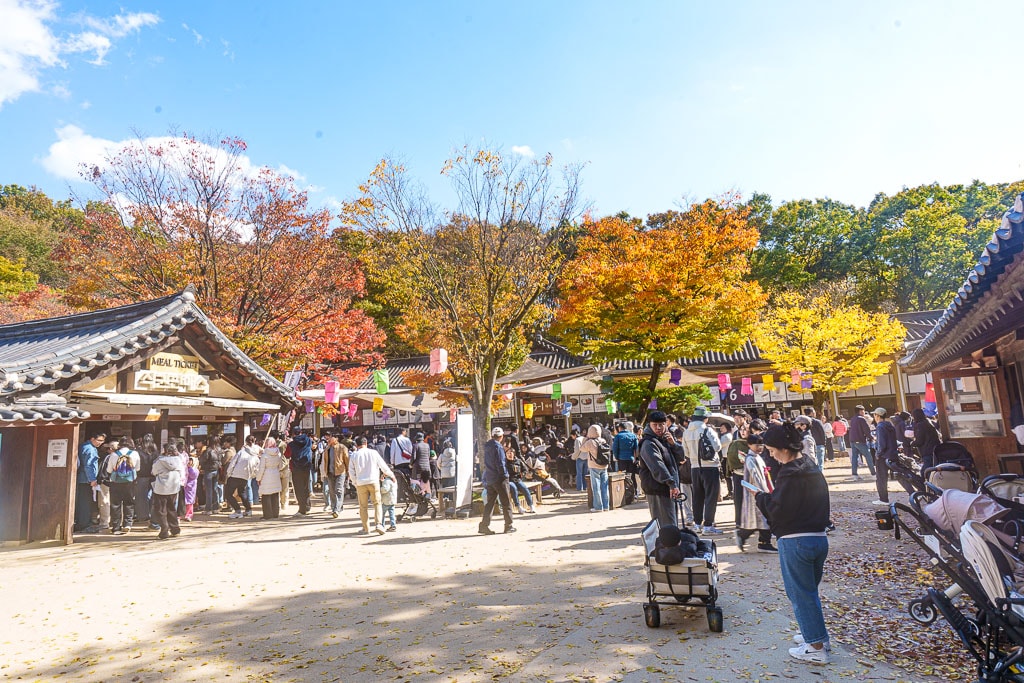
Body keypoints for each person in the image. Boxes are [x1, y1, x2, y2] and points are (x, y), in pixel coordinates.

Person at [756, 423, 831, 665]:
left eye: (772, 450)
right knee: (809, 592)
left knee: (800, 594)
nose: (772, 455)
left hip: (795, 540)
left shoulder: (789, 473)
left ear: (785, 448)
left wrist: (761, 498)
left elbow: (778, 510)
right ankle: (816, 636)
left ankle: (815, 647)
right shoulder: (810, 466)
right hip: (818, 537)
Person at [637, 411, 683, 529]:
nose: (658, 428)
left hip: (669, 489)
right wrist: (671, 483)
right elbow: (657, 466)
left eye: (662, 424)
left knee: (671, 523)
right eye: (655, 425)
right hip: (658, 489)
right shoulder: (648, 443)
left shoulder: (664, 440)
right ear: (649, 425)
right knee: (666, 526)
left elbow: (681, 458)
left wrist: (673, 444)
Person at [682, 406, 723, 535]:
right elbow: (717, 447)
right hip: (710, 467)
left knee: (697, 496)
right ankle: (708, 526)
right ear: (705, 418)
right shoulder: (708, 430)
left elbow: (686, 453)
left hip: (694, 468)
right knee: (711, 496)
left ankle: (697, 524)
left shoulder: (686, 432)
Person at [348, 435, 395, 535]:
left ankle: (366, 528)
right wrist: (391, 475)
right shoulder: (373, 453)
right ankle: (378, 525)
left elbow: (351, 471)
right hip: (373, 481)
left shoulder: (354, 455)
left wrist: (355, 482)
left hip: (361, 483)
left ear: (357, 445)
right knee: (377, 504)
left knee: (363, 507)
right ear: (366, 443)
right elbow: (383, 466)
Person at [737, 433, 775, 552]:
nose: (760, 447)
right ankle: (762, 542)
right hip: (755, 493)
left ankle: (756, 540)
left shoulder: (757, 457)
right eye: (757, 445)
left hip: (760, 491)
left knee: (759, 520)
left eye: (761, 445)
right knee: (762, 519)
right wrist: (763, 492)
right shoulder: (750, 459)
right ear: (749, 445)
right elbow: (756, 476)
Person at [478, 427, 516, 535]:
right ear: (501, 436)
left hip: (490, 477)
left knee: (489, 503)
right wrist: (504, 475)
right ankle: (508, 525)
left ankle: (484, 525)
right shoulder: (498, 447)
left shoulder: (487, 446)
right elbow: (500, 463)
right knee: (506, 503)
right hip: (499, 478)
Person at [107, 436, 141, 535]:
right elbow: (137, 468)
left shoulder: (114, 454)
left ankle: (116, 527)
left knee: (115, 504)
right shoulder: (135, 454)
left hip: (116, 482)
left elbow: (109, 470)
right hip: (130, 482)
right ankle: (127, 524)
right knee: (129, 503)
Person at [151, 443, 185, 540]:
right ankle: (175, 529)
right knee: (172, 509)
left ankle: (164, 531)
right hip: (174, 488)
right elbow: (182, 473)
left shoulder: (159, 461)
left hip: (161, 489)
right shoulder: (179, 460)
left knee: (161, 510)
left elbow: (154, 472)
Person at [74, 432, 106, 533]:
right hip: (85, 479)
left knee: (81, 501)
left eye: (102, 441)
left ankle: (81, 522)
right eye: (99, 440)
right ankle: (84, 524)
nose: (100, 443)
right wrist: (92, 479)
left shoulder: (83, 446)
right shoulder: (90, 449)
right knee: (85, 502)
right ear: (92, 439)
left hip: (81, 478)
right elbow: (89, 465)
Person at [224, 438, 260, 518]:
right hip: (245, 477)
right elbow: (257, 469)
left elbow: (233, 463)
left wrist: (229, 473)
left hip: (235, 475)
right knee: (242, 493)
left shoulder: (241, 452)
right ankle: (248, 509)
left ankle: (237, 510)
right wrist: (251, 476)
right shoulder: (255, 456)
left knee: (228, 494)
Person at [320, 434, 350, 518]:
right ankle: (335, 507)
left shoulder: (342, 447)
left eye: (331, 438)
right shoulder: (327, 449)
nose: (329, 440)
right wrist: (324, 472)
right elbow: (325, 461)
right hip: (330, 472)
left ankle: (336, 509)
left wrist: (348, 471)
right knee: (332, 491)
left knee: (339, 490)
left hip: (340, 472)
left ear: (336, 439)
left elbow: (347, 460)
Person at [581, 424, 610, 512]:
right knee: (605, 487)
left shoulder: (590, 442)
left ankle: (598, 507)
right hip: (604, 466)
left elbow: (582, 449)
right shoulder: (603, 440)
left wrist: (586, 438)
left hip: (594, 466)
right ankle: (606, 506)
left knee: (596, 487)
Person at [256, 437, 286, 520]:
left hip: (266, 475)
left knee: (266, 496)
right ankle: (275, 513)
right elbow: (281, 466)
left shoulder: (264, 455)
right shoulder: (278, 454)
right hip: (275, 475)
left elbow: (261, 469)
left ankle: (267, 515)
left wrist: (258, 478)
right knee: (275, 495)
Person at [287, 430, 314, 515]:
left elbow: (287, 455)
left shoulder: (291, 444)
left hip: (296, 468)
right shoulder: (308, 441)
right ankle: (307, 506)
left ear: (293, 434)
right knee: (306, 487)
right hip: (306, 467)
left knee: (299, 489)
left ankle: (302, 509)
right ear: (301, 432)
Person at [135, 433, 159, 525]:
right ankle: (153, 515)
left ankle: (142, 516)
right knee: (154, 497)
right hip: (153, 476)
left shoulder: (139, 451)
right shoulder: (155, 451)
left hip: (141, 476)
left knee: (141, 497)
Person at [505, 447, 537, 514]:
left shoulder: (518, 461)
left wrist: (523, 474)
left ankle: (531, 505)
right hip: (509, 480)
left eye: (511, 453)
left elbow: (525, 470)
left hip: (518, 479)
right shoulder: (504, 462)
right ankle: (518, 507)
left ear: (514, 454)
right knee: (513, 488)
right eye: (507, 453)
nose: (509, 455)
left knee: (524, 488)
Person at [848, 405, 875, 480]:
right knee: (868, 456)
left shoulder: (853, 419)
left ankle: (854, 474)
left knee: (854, 457)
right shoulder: (861, 419)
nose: (864, 412)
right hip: (860, 440)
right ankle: (873, 474)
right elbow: (866, 430)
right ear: (860, 411)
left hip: (852, 440)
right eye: (863, 411)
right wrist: (871, 437)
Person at [199, 437, 222, 514]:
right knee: (215, 490)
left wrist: (203, 467)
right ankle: (215, 508)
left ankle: (208, 509)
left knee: (208, 491)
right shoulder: (219, 450)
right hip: (216, 471)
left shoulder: (208, 450)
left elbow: (202, 460)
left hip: (208, 471)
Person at [410, 431, 432, 498]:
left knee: (417, 481)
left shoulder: (415, 445)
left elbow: (414, 457)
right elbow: (428, 456)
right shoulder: (427, 445)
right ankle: (427, 495)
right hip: (427, 467)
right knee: (426, 481)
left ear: (417, 439)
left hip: (418, 467)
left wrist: (411, 464)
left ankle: (419, 495)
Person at [570, 426, 587, 491]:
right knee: (585, 473)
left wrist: (573, 457)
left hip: (580, 458)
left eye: (572, 436)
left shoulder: (577, 440)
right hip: (586, 457)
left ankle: (579, 488)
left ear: (574, 435)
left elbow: (577, 450)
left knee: (579, 473)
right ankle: (585, 487)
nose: (572, 438)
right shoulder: (585, 438)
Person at [183, 456, 199, 521]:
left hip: (190, 488)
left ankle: (189, 515)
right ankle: (182, 514)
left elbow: (193, 475)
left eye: (190, 461)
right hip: (184, 487)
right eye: (188, 460)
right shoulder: (185, 468)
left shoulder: (194, 470)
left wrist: (188, 469)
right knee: (183, 501)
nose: (189, 462)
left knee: (189, 501)